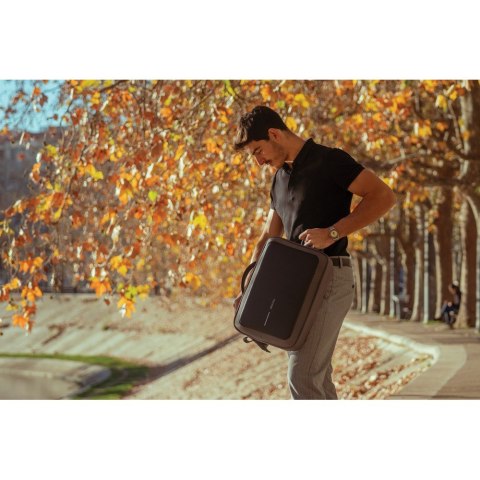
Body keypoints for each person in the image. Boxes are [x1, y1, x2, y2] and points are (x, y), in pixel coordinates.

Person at [232, 105, 396, 400]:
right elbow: (268, 236)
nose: (258, 161)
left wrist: (333, 232)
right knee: (316, 379)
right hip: (295, 287)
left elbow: (383, 196)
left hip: (330, 277)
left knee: (303, 375)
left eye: (258, 151)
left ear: (274, 134)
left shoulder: (331, 160)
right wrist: (250, 288)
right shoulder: (279, 179)